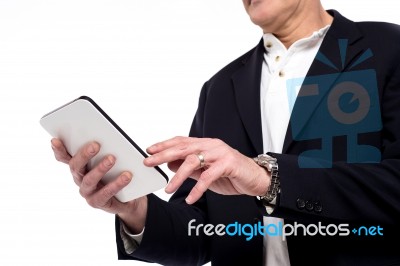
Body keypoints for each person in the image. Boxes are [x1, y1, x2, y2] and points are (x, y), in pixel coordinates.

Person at [50, 0, 400, 265]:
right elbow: (199, 230)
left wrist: (266, 178)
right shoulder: (220, 88)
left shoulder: (387, 48)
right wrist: (133, 208)